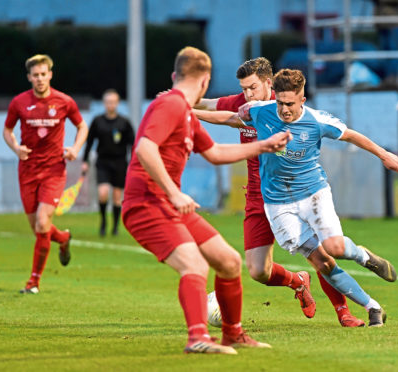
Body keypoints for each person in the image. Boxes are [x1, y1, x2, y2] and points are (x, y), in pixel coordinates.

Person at [197, 69, 398, 327]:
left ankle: (363, 257)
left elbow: (350, 134)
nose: (284, 110)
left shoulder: (317, 120)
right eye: (281, 103)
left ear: (302, 101)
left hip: (313, 195)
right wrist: (190, 113)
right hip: (277, 204)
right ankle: (372, 306)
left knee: (335, 249)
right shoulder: (260, 111)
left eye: (290, 104)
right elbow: (228, 117)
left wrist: (383, 154)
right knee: (320, 261)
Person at [122, 47, 292, 354]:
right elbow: (145, 149)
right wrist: (174, 192)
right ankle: (197, 337)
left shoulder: (184, 112)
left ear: (176, 76)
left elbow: (214, 153)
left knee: (228, 262)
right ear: (206, 81)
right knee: (195, 265)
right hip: (148, 204)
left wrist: (262, 146)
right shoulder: (170, 104)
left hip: (170, 205)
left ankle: (233, 334)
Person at [3, 54, 88, 294]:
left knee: (42, 222)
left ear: (50, 74)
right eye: (35, 75)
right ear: (29, 77)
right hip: (27, 171)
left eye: (43, 74)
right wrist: (16, 147)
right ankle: (62, 238)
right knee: (38, 228)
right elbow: (7, 131)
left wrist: (75, 148)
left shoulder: (64, 101)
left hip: (54, 171)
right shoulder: (19, 102)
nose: (40, 79)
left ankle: (33, 282)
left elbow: (82, 126)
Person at [82, 89, 134, 236]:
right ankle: (104, 221)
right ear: (104, 103)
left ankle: (115, 227)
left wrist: (134, 162)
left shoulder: (124, 123)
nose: (110, 105)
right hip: (103, 162)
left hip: (120, 162)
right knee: (103, 193)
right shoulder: (97, 121)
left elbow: (134, 143)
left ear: (117, 103)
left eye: (113, 102)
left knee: (117, 197)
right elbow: (89, 142)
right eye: (108, 102)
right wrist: (85, 161)